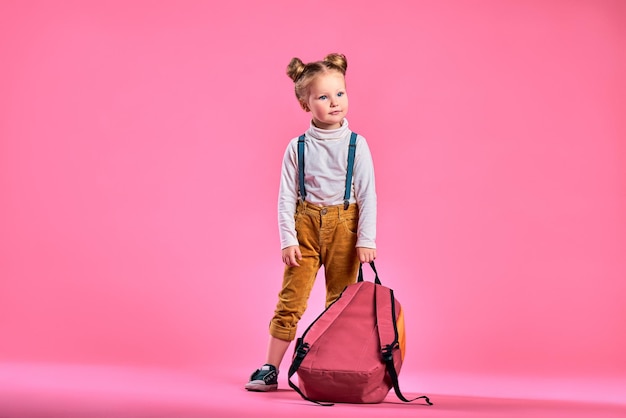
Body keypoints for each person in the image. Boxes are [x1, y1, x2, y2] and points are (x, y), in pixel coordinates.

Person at [245, 53, 377, 392]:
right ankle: (269, 367)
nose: (334, 102)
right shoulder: (297, 147)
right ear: (306, 104)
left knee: (339, 300)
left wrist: (367, 239)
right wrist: (288, 239)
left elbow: (367, 195)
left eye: (340, 93)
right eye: (323, 96)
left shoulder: (356, 145)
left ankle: (329, 366)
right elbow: (286, 197)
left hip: (345, 227)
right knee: (291, 298)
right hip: (305, 226)